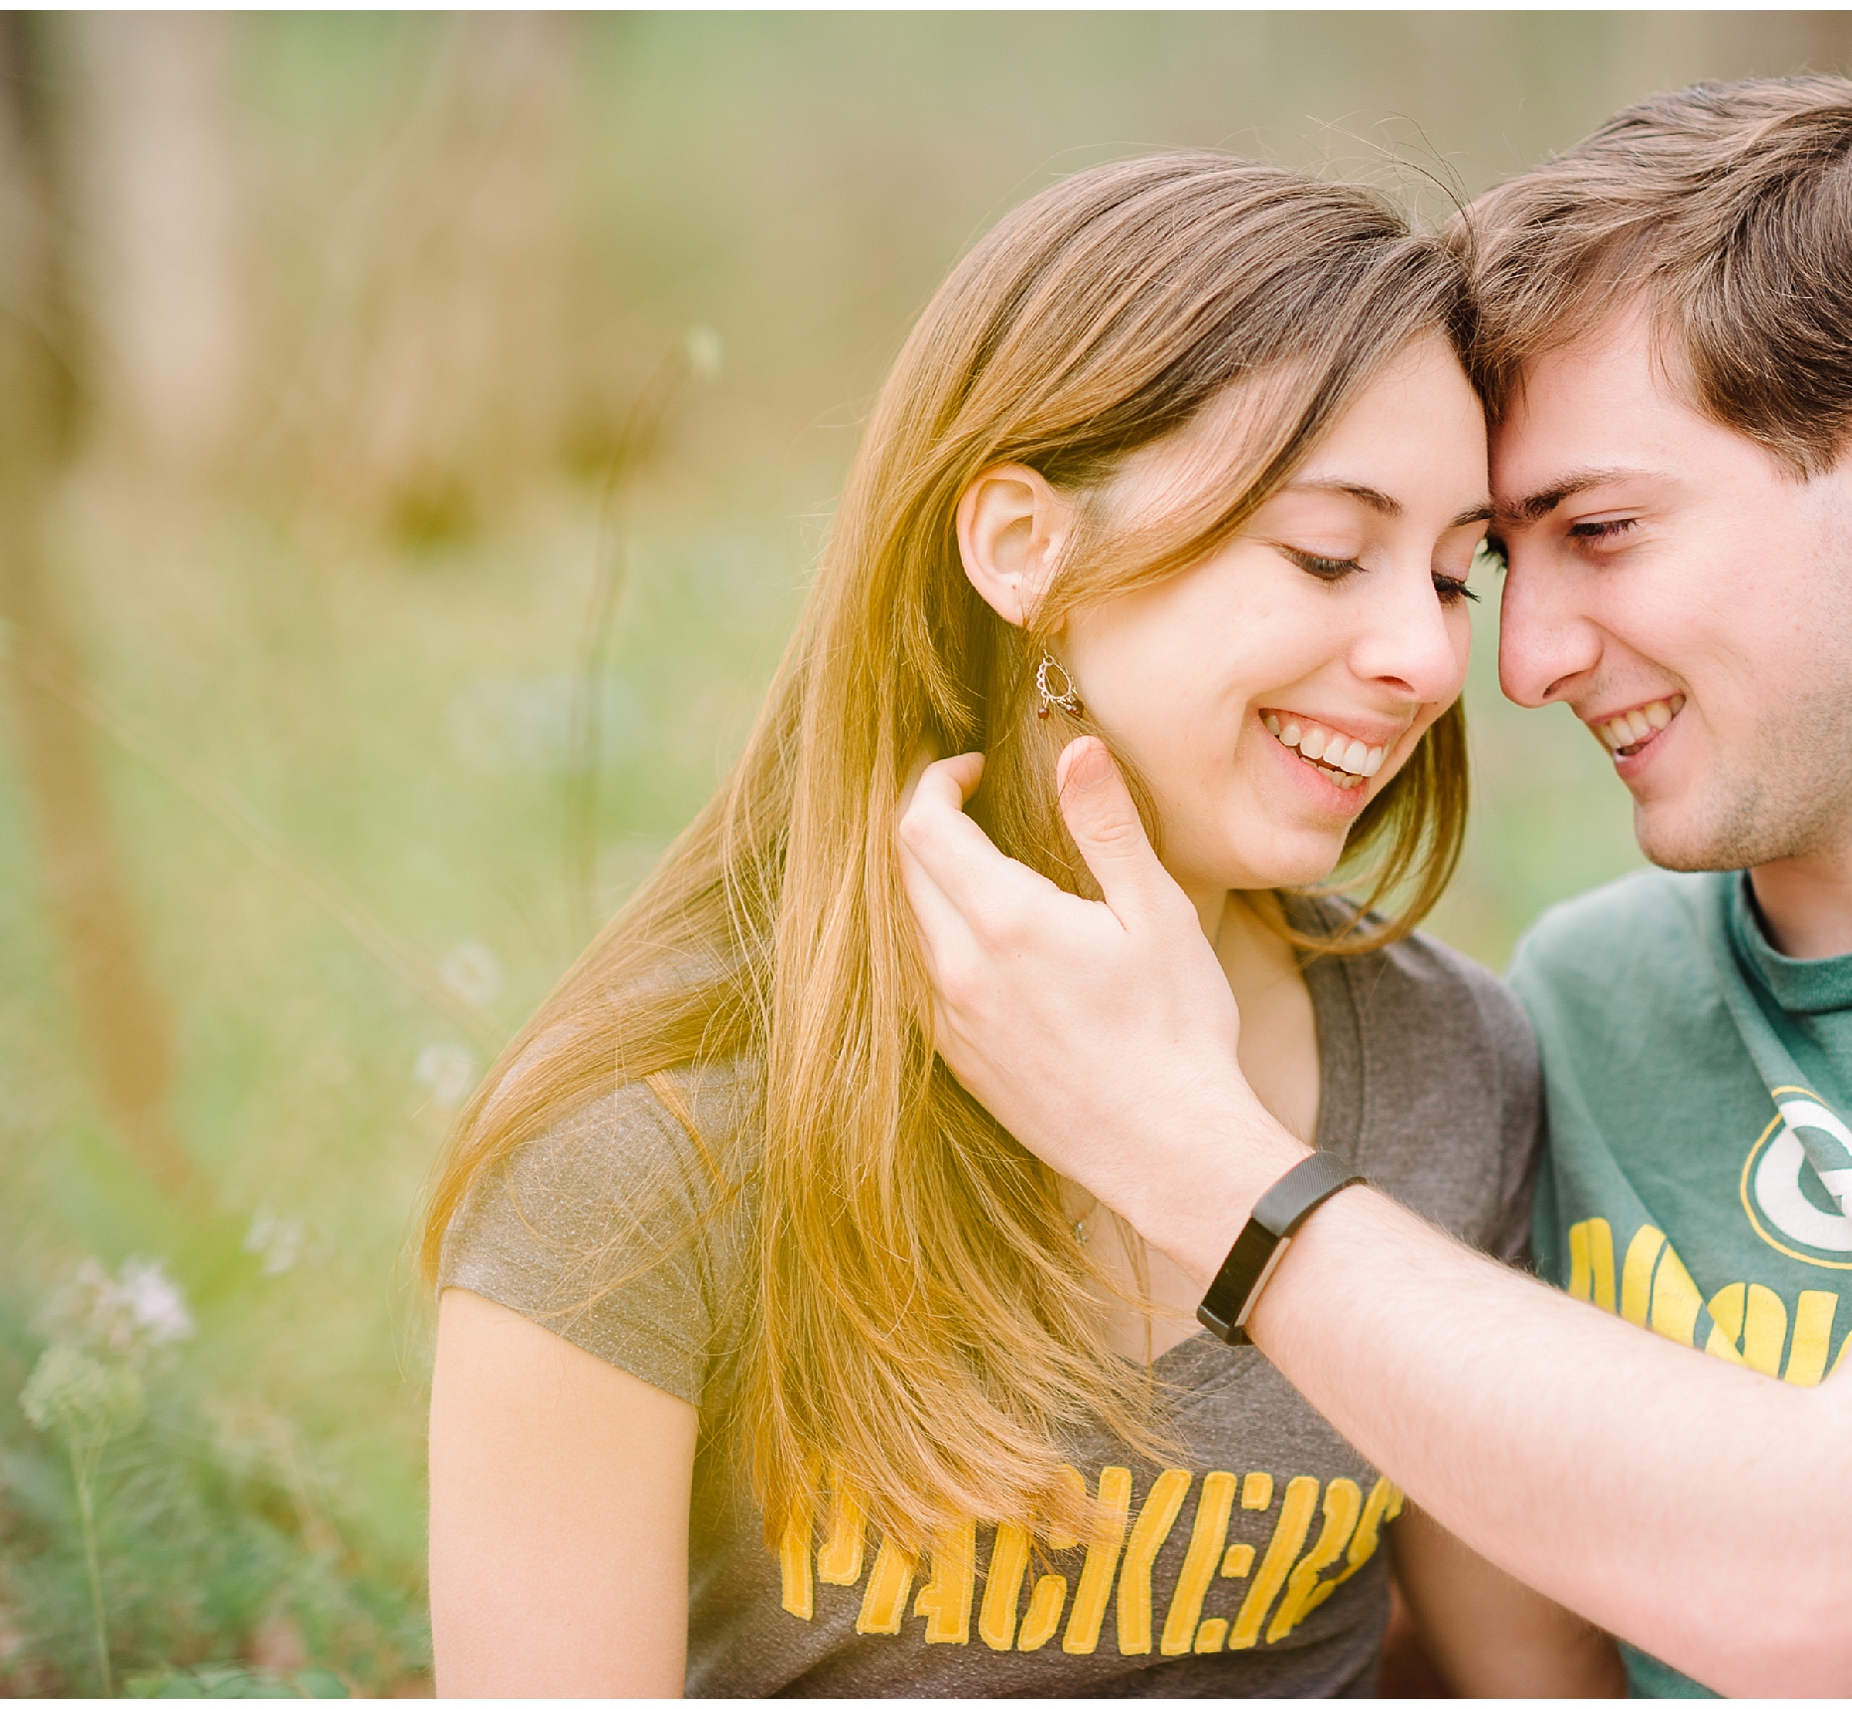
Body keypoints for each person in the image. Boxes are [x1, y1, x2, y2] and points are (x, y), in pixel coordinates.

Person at [898, 78, 1852, 1697]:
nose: (1521, 658)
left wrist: (1187, 1144)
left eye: (1607, 529)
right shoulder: (1586, 996)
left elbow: (1824, 1578)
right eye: (1504, 559)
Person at [420, 151, 1620, 1696]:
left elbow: (1533, 1679)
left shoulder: (1451, 1065)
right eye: (1327, 550)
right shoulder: (652, 1133)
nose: (1423, 655)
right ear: (1020, 545)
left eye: (1457, 576)